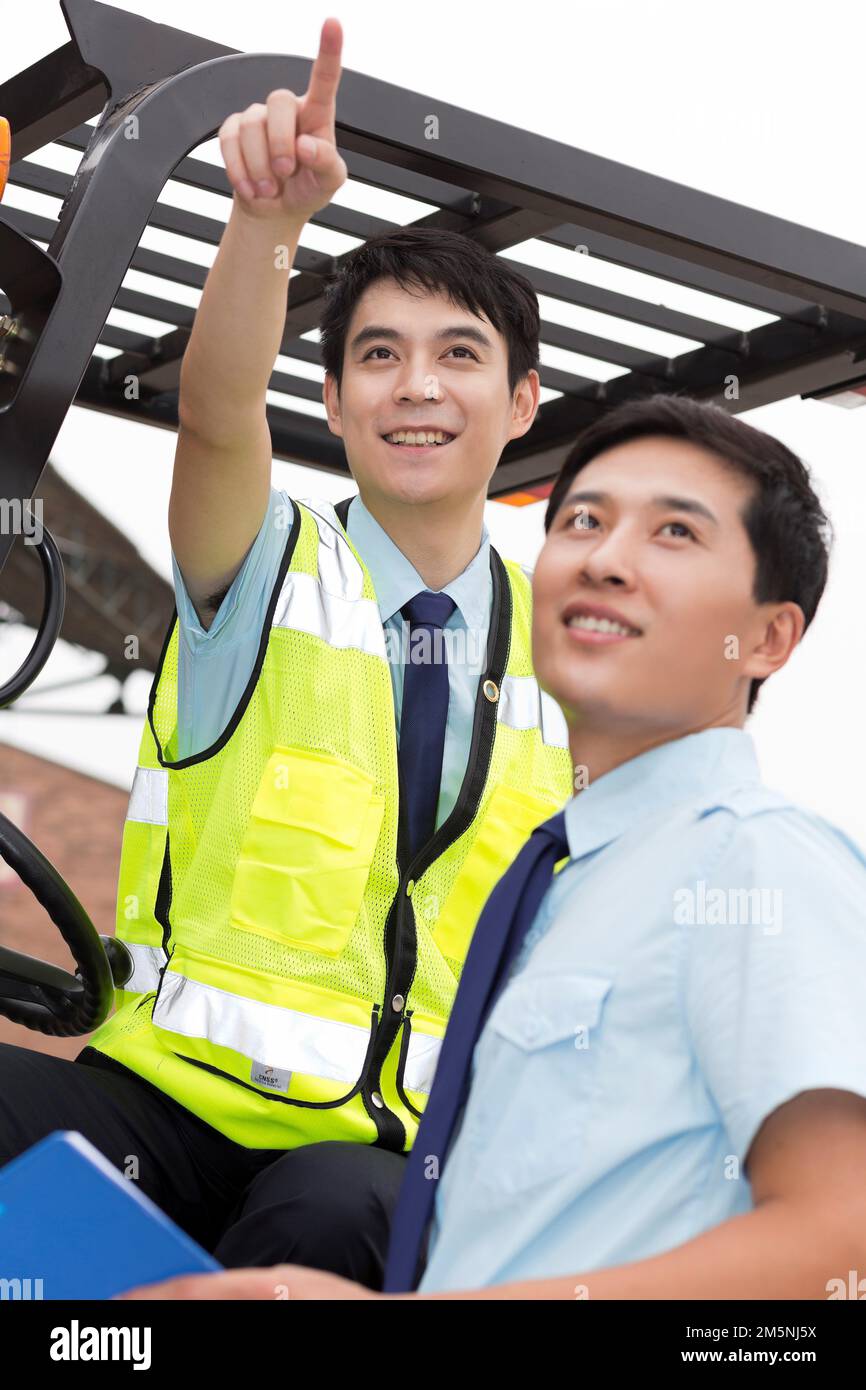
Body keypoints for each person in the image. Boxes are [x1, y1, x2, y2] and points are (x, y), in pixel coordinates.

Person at [0, 17, 573, 1288]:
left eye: (457, 356)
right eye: (377, 356)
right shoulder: (266, 567)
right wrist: (263, 227)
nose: (413, 387)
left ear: (521, 402)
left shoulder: (567, 655)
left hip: (376, 1144)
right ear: (331, 402)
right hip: (169, 1105)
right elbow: (215, 415)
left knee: (338, 1220)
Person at [122, 392, 866, 1301]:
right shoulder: (559, 891)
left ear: (767, 637)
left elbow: (842, 1244)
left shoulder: (754, 862)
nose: (606, 559)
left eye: (675, 533)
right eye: (584, 521)